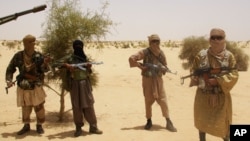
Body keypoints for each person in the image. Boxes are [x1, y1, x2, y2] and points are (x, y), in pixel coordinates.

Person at [189, 28, 239, 141]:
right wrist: (195, 77)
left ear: (224, 40)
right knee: (201, 121)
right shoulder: (201, 55)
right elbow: (193, 69)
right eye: (213, 37)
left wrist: (218, 81)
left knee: (223, 124)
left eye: (219, 37)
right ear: (209, 39)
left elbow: (234, 74)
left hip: (221, 97)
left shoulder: (229, 56)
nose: (216, 40)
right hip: (203, 96)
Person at [128, 34, 177, 132]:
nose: (155, 43)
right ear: (150, 42)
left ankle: (168, 121)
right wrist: (141, 67)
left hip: (158, 80)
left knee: (163, 100)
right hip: (147, 80)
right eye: (153, 41)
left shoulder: (161, 53)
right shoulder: (145, 52)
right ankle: (149, 120)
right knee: (148, 100)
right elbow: (131, 58)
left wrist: (163, 69)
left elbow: (165, 65)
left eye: (157, 41)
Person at [5, 34, 50, 135]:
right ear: (25, 43)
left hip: (36, 85)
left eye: (33, 42)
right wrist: (9, 80)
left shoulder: (39, 56)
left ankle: (39, 125)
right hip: (23, 86)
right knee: (25, 107)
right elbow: (10, 69)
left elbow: (45, 70)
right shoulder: (18, 56)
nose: (32, 45)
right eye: (30, 42)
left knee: (39, 106)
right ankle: (26, 125)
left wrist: (46, 63)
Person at [56, 39, 102, 137]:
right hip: (75, 84)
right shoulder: (70, 57)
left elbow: (88, 71)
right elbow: (56, 63)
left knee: (89, 104)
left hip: (85, 84)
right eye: (76, 46)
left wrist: (89, 67)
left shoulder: (84, 58)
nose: (79, 48)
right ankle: (78, 128)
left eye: (80, 46)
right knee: (76, 106)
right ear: (73, 47)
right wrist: (67, 66)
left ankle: (93, 126)